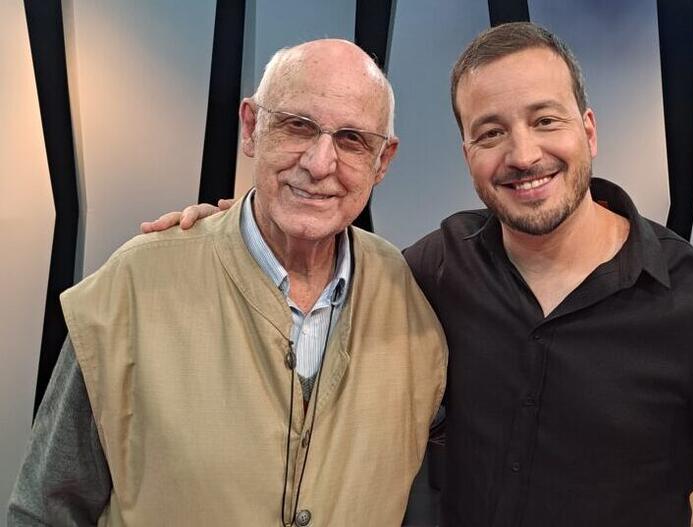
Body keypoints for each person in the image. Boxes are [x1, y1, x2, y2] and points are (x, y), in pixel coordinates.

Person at [138, 23, 693, 526]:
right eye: (491, 131)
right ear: (466, 151)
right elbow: (321, 261)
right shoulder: (438, 265)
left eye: (545, 121)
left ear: (588, 130)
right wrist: (228, 224)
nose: (522, 153)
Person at [8, 40, 446, 526]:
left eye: (351, 139)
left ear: (382, 162)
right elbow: (44, 511)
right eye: (297, 125)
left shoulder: (413, 302)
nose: (321, 164)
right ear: (252, 127)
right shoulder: (133, 290)